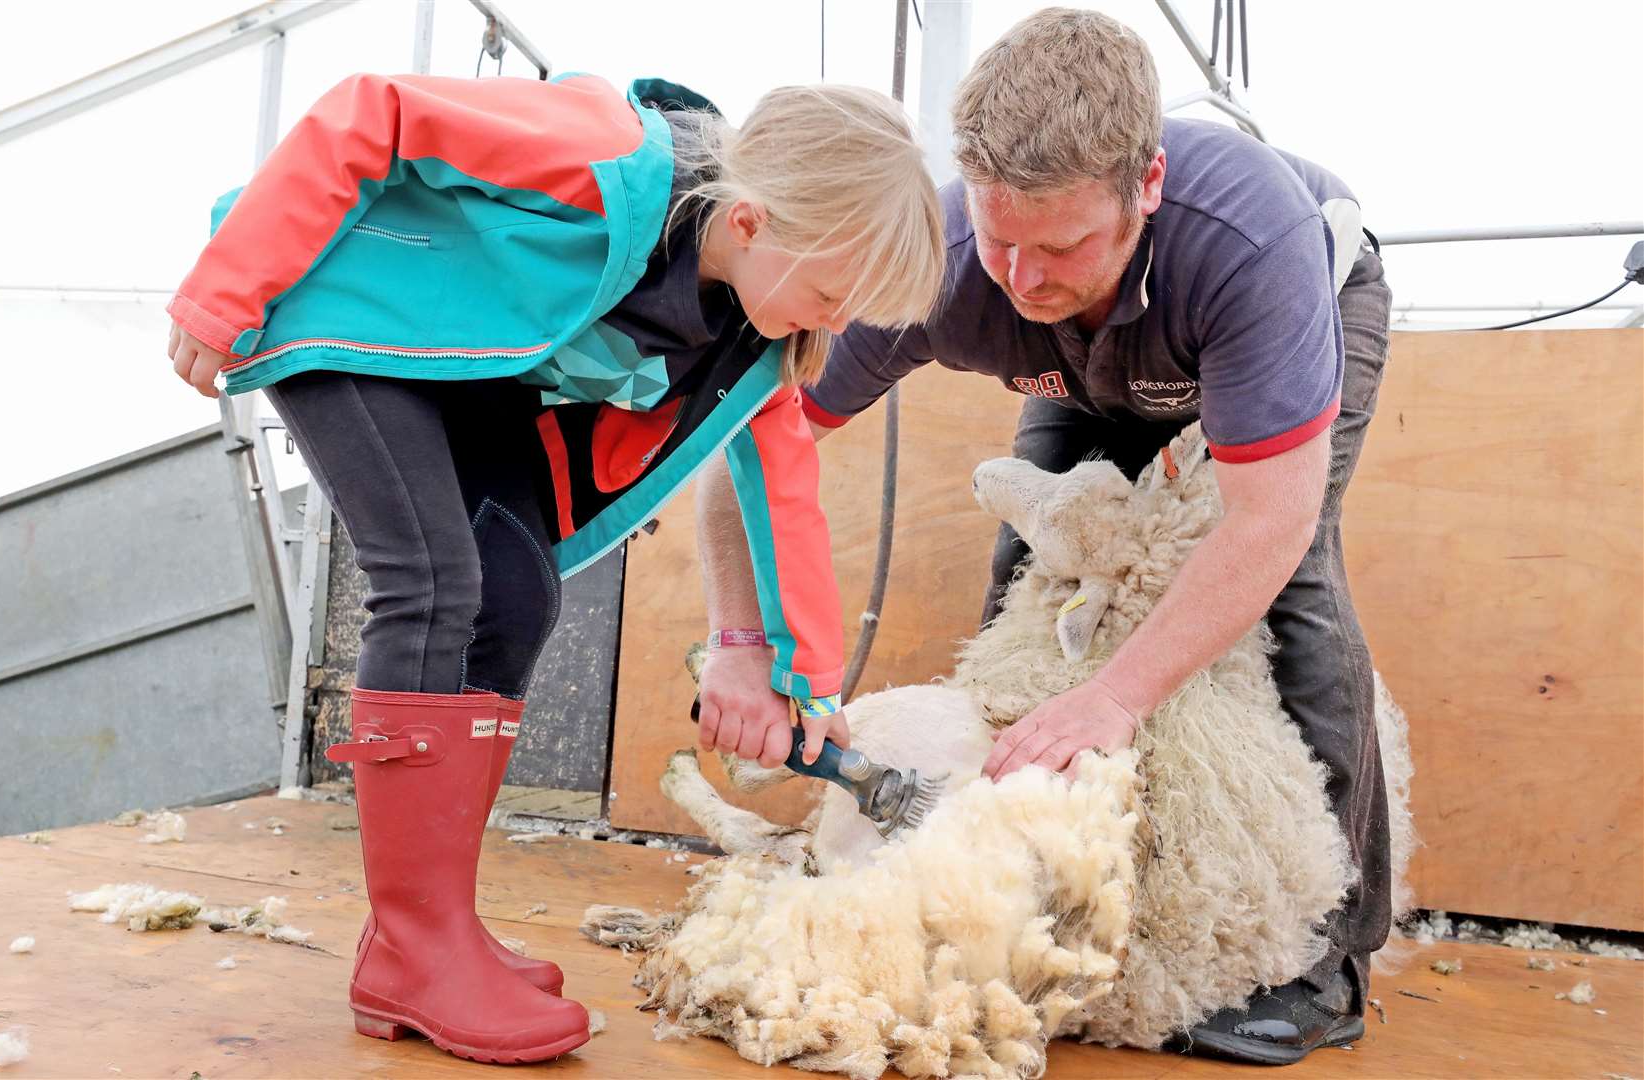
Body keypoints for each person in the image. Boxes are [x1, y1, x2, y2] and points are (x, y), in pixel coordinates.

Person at [166, 71, 943, 1065]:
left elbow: (783, 489)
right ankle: (416, 947)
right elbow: (373, 112)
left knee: (518, 595)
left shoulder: (761, 328)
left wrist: (807, 682)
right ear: (750, 222)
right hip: (352, 300)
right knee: (434, 586)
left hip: (464, 376)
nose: (825, 325)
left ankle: (429, 928)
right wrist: (228, 284)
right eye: (831, 294)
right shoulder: (601, 154)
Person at [694, 8, 1392, 1065]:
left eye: (1059, 243)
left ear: (1146, 183)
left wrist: (1114, 696)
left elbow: (1269, 521)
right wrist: (742, 643)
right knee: (1033, 580)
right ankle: (1017, 897)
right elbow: (748, 443)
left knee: (1293, 596)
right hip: (1081, 368)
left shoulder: (1253, 244)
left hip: (1256, 319)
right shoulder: (951, 265)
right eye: (998, 234)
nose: (1020, 275)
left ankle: (1323, 959)